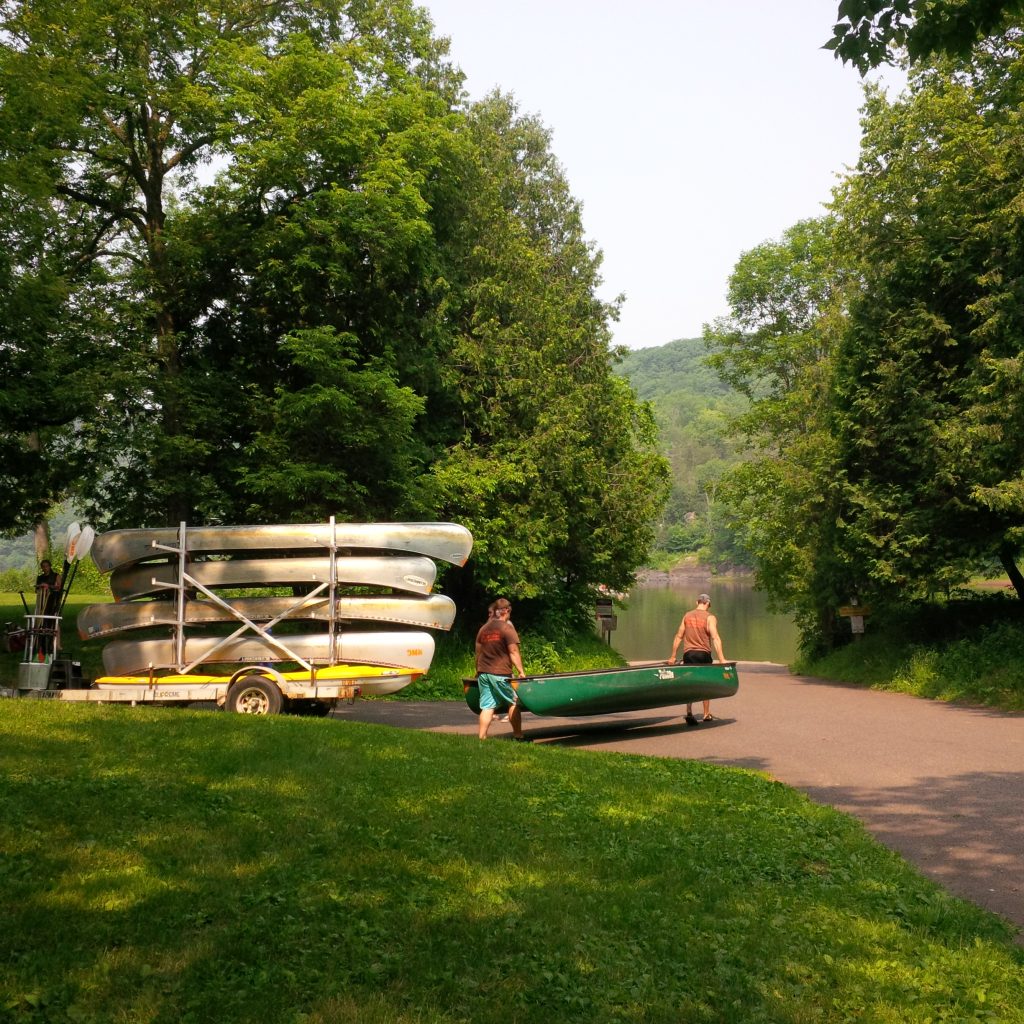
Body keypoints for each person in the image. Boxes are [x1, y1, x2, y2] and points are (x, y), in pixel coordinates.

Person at [475, 597, 530, 742]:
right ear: (506, 611)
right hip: (500, 673)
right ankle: (518, 736)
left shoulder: (484, 629)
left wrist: (477, 669)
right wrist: (521, 671)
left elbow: (478, 652)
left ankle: (482, 738)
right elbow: (513, 652)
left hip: (483, 672)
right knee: (513, 702)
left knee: (487, 706)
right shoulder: (507, 628)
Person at [668, 593, 726, 726]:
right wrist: (722, 659)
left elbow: (678, 636)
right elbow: (715, 638)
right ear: (708, 604)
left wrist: (672, 656)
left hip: (688, 654)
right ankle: (706, 714)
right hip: (703, 654)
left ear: (697, 602)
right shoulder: (710, 617)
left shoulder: (687, 616)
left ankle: (689, 712)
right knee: (706, 682)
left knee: (690, 682)